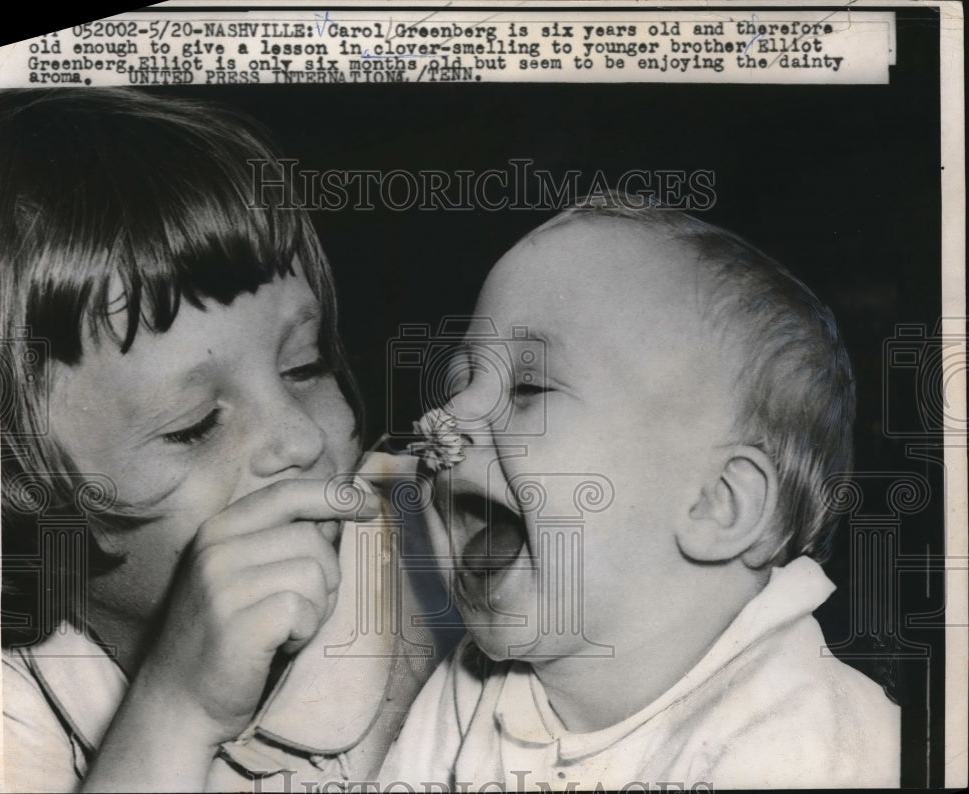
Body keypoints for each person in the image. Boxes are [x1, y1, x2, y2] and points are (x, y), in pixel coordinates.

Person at [377, 201, 901, 790]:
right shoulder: (468, 688)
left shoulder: (806, 742)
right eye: (459, 382)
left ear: (715, 505)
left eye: (528, 387)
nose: (446, 416)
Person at [0, 88, 433, 793]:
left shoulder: (437, 553)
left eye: (305, 364)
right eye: (194, 426)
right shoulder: (7, 706)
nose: (298, 439)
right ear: (18, 488)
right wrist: (175, 712)